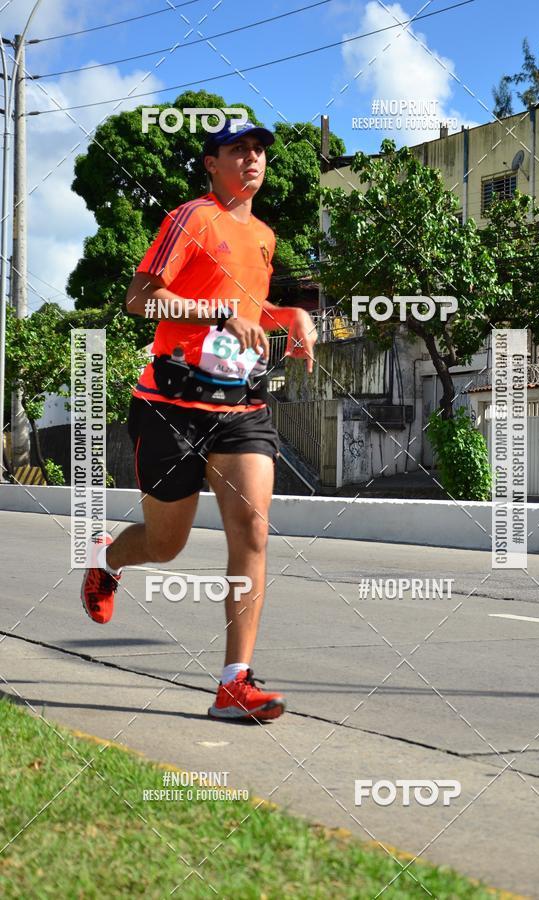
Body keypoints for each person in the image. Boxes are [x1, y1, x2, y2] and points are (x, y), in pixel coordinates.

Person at [80, 119, 316, 721]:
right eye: (239, 150)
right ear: (212, 163)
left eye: (259, 150)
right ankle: (108, 560)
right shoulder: (191, 217)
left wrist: (287, 314)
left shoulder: (263, 235)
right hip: (171, 404)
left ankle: (235, 683)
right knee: (166, 544)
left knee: (253, 532)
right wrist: (215, 312)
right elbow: (140, 298)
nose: (253, 159)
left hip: (240, 406)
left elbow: (249, 309)